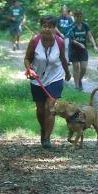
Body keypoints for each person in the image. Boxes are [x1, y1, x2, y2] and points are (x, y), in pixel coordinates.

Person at [24, 16, 71, 149]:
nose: (47, 29)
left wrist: (67, 72)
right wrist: (29, 69)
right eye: (44, 26)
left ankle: (46, 138)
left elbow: (62, 58)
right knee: (40, 110)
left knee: (50, 107)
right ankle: (43, 129)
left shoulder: (60, 42)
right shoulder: (35, 40)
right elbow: (27, 58)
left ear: (54, 28)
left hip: (55, 77)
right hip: (37, 79)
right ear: (41, 27)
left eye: (50, 27)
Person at [68, 10, 98, 90]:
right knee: (76, 67)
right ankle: (77, 86)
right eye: (77, 17)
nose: (79, 18)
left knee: (84, 67)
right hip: (74, 49)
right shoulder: (71, 26)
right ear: (75, 17)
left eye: (80, 16)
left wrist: (94, 45)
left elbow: (90, 36)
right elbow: (72, 40)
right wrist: (79, 44)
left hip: (83, 49)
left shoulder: (85, 25)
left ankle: (79, 79)